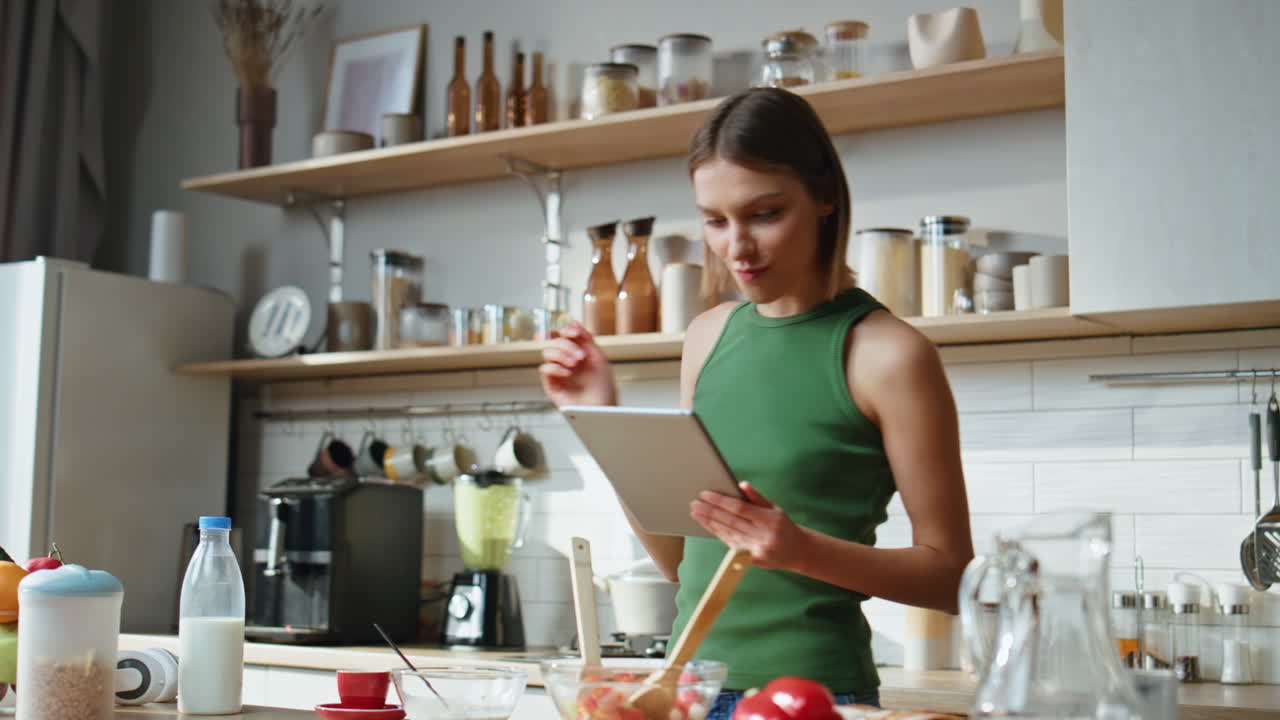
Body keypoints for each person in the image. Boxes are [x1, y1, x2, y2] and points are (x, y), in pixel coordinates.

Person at [539, 87, 973, 719]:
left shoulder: (888, 355)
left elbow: (953, 577)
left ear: (825, 197)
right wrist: (601, 416)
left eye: (764, 213)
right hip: (687, 692)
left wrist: (800, 550)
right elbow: (681, 564)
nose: (736, 246)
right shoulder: (706, 337)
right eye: (714, 220)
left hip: (813, 697)